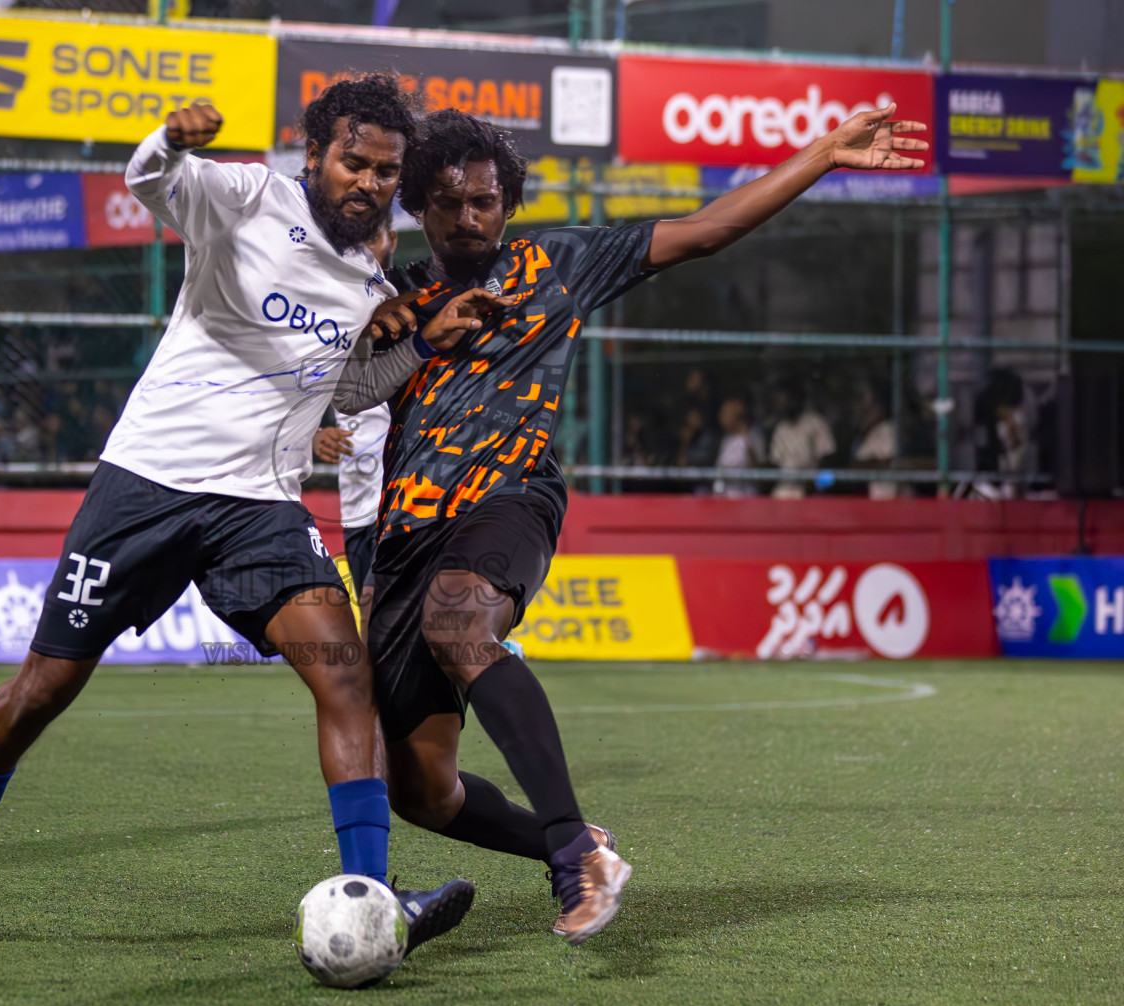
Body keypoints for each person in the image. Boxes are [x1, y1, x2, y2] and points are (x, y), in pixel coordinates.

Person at [0, 79, 495, 949]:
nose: (370, 181)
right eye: (354, 161)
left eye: (385, 169)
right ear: (316, 155)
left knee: (346, 675)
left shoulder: (364, 281)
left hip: (258, 508)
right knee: (44, 689)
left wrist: (418, 346)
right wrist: (170, 139)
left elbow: (345, 393)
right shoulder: (245, 196)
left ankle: (372, 896)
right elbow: (152, 182)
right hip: (145, 485)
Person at [338, 104, 927, 944]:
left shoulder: (562, 262)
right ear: (419, 208)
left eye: (486, 200)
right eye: (448, 202)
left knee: (462, 616)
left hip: (509, 497)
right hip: (401, 540)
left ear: (509, 202)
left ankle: (578, 846)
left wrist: (821, 157)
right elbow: (329, 390)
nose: (469, 217)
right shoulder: (388, 296)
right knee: (421, 791)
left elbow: (707, 229)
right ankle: (564, 849)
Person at [313, 217, 401, 636]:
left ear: (391, 239)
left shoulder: (415, 304)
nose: (363, 251)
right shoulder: (324, 308)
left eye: (371, 237)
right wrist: (313, 433)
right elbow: (294, 386)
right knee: (371, 624)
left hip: (413, 496)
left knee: (390, 612)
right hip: (361, 500)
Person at [768, 379, 837, 499]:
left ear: (794, 398)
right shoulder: (780, 428)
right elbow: (776, 463)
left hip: (810, 492)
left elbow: (829, 459)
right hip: (785, 492)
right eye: (776, 400)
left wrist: (816, 484)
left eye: (781, 398)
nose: (778, 403)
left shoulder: (815, 422)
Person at [849, 381, 899, 499]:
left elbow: (889, 463)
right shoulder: (862, 437)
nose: (856, 406)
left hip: (888, 502)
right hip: (867, 504)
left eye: (861, 399)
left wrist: (857, 467)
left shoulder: (887, 430)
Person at [714, 396, 766, 497]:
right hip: (726, 500)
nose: (721, 417)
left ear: (736, 415)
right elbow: (720, 471)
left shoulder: (753, 436)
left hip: (747, 499)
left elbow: (757, 468)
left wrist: (747, 442)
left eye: (725, 413)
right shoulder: (726, 440)